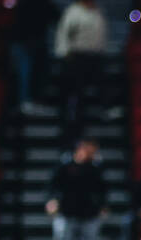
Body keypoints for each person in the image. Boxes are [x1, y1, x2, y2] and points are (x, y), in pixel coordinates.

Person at [45, 139, 106, 240]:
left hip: (88, 216)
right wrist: (51, 201)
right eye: (90, 150)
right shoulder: (65, 165)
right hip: (66, 215)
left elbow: (102, 190)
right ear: (81, 148)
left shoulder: (95, 168)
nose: (93, 154)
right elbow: (52, 186)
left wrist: (102, 206)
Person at [54, 0, 108, 144]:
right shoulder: (73, 12)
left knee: (94, 92)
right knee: (76, 94)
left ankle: (101, 112)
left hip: (94, 57)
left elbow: (101, 34)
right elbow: (63, 35)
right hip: (76, 57)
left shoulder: (98, 12)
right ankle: (71, 127)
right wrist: (65, 55)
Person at [10, 0, 57, 114]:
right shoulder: (21, 3)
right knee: (25, 72)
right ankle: (25, 100)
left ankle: (35, 100)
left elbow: (55, 16)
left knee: (37, 72)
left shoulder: (43, 3)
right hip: (23, 41)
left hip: (36, 41)